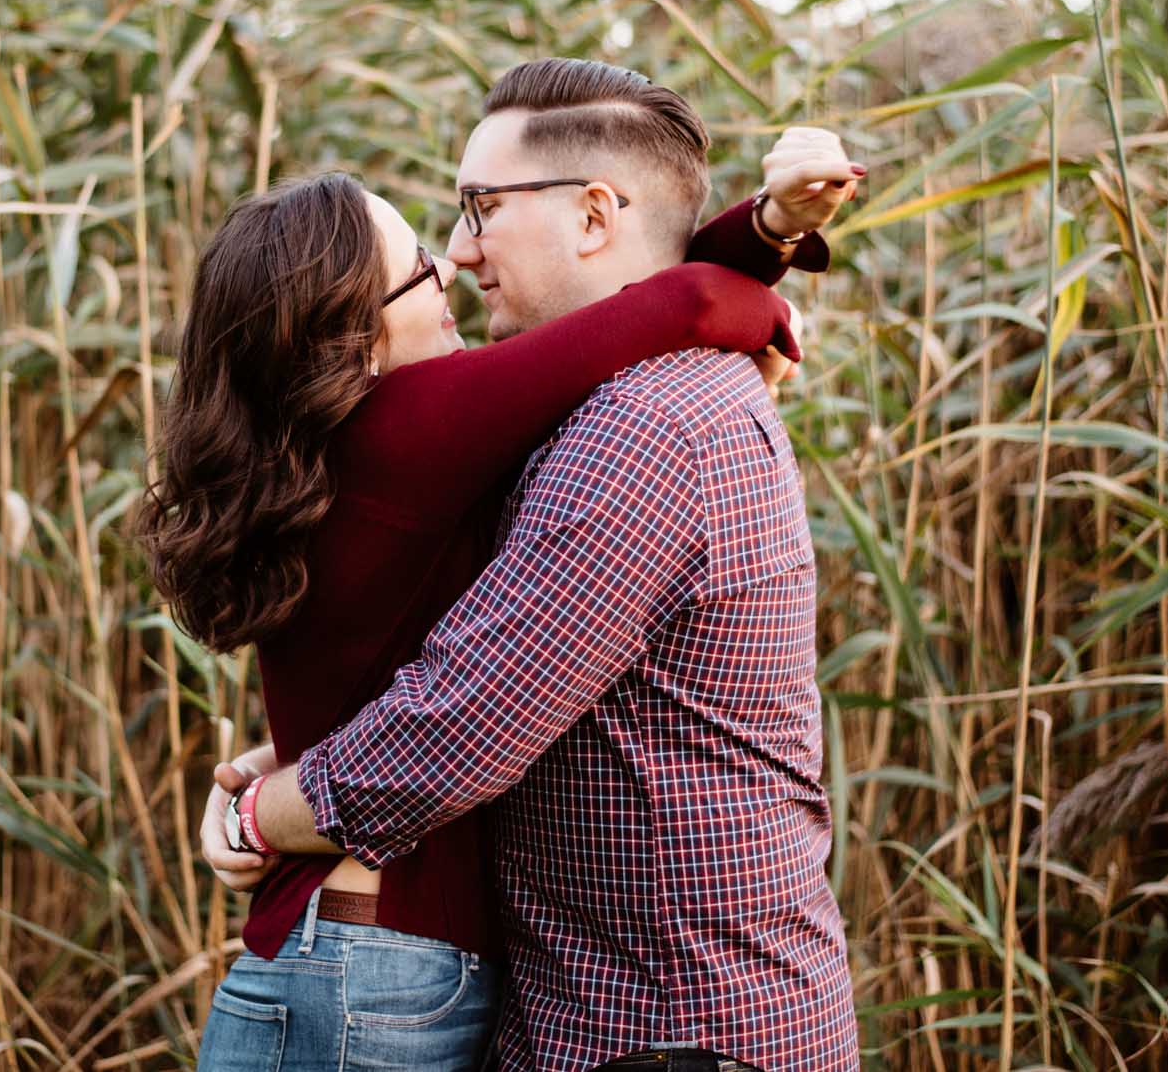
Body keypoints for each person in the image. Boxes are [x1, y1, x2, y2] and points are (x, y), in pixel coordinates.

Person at [207, 60, 862, 1072]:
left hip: (667, 1033)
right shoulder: (498, 420)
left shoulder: (641, 427)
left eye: (476, 209)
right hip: (600, 1019)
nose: (459, 252)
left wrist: (264, 800)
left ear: (595, 214)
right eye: (431, 248)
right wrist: (758, 250)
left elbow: (456, 721)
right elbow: (671, 296)